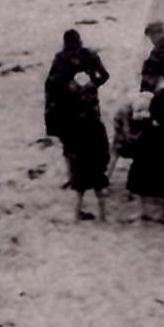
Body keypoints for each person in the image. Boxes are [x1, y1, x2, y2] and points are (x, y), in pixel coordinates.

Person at [125, 87, 164, 224]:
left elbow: (140, 141)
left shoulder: (150, 125)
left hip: (146, 156)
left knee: (137, 181)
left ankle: (142, 211)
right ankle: (162, 214)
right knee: (163, 183)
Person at [44, 29, 110, 143]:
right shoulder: (61, 59)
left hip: (87, 102)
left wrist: (92, 84)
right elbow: (51, 84)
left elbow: (104, 75)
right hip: (69, 104)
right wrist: (67, 84)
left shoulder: (89, 56)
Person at [61, 71, 111, 221]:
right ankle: (103, 217)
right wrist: (104, 160)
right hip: (95, 159)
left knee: (80, 192)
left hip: (80, 159)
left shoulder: (73, 119)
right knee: (99, 190)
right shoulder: (97, 122)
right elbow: (104, 143)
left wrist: (70, 157)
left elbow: (69, 142)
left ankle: (76, 216)